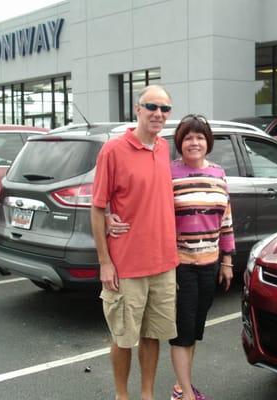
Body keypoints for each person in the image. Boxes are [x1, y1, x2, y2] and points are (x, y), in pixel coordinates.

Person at [109, 114, 235, 400]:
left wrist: (227, 260)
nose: (194, 143)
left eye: (200, 137)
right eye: (188, 138)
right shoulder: (170, 173)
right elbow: (144, 202)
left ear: (208, 142)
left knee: (196, 329)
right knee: (183, 331)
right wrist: (108, 216)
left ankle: (181, 385)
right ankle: (186, 394)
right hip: (179, 264)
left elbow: (226, 219)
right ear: (179, 143)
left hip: (209, 263)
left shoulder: (218, 173)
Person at [91, 84, 179, 400]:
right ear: (137, 110)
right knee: (124, 337)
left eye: (165, 109)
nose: (158, 114)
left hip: (164, 263)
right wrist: (104, 262)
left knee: (154, 335)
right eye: (151, 107)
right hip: (126, 265)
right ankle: (121, 395)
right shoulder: (113, 150)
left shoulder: (164, 147)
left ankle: (146, 394)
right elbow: (97, 207)